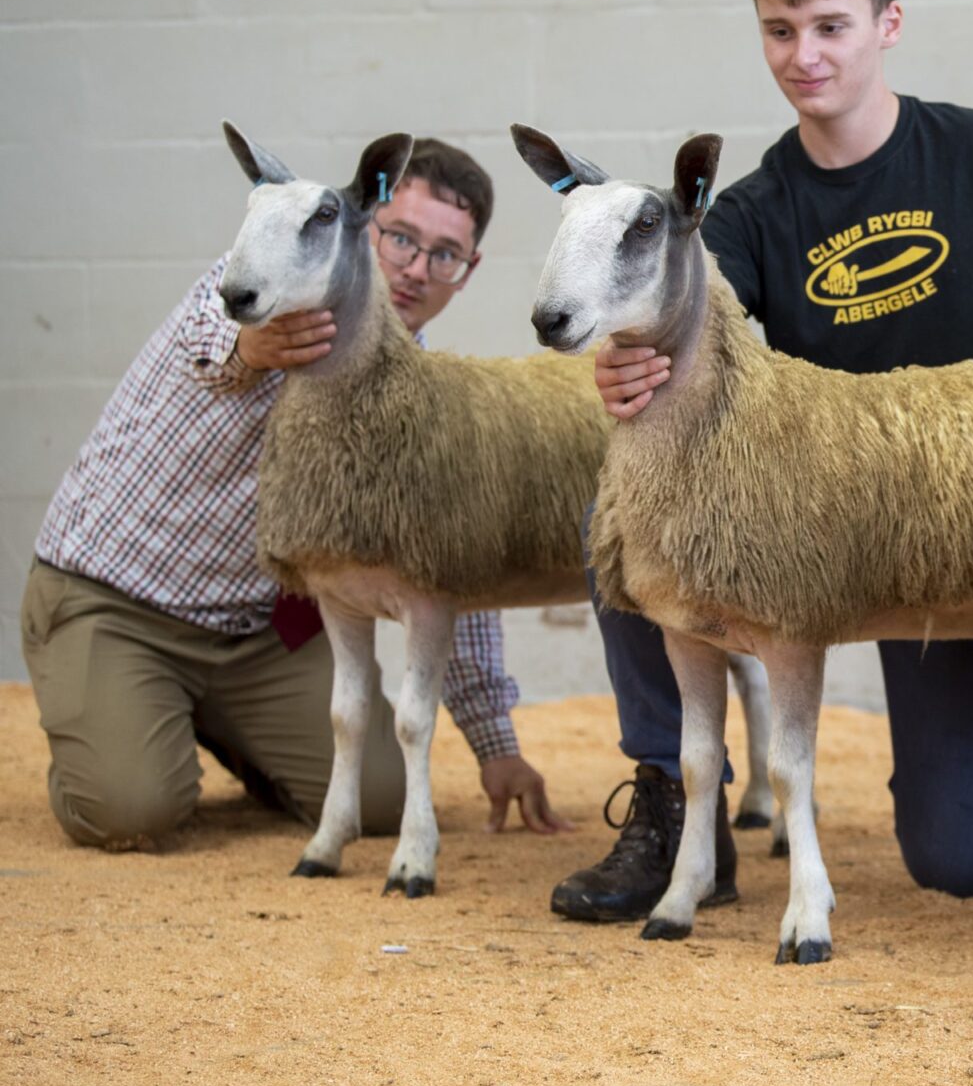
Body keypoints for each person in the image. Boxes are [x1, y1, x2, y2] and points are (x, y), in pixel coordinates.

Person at [549, 0, 973, 923]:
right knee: (614, 518)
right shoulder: (743, 214)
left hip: (950, 522)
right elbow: (687, 339)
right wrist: (630, 370)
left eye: (830, 24)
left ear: (888, 23)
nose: (804, 54)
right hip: (810, 525)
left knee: (959, 858)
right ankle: (667, 794)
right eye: (779, 29)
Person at [21, 138, 569, 850]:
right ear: (358, 225)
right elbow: (214, 347)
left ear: (467, 272)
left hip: (261, 633)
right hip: (120, 602)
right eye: (399, 237)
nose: (413, 269)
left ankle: (236, 731)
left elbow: (446, 566)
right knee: (131, 809)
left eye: (444, 254)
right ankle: (116, 724)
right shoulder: (254, 293)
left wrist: (496, 745)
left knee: (378, 803)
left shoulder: (420, 388)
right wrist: (251, 351)